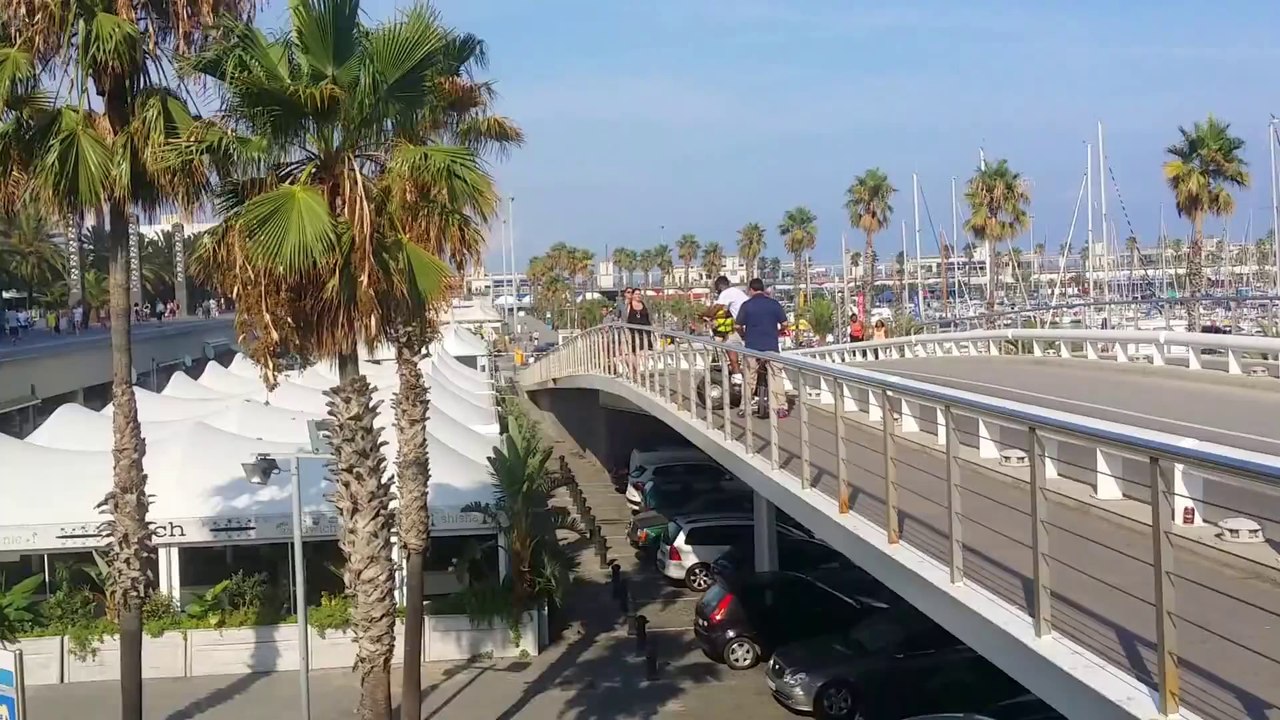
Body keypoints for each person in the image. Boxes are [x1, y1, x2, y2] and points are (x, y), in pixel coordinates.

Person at [734, 278, 790, 419]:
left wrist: (744, 335)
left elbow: (737, 326)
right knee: (776, 375)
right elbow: (785, 323)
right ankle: (781, 407)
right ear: (763, 289)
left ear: (751, 290)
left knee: (749, 376)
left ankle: (745, 407)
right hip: (771, 346)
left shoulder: (747, 305)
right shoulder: (774, 304)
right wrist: (778, 331)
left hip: (752, 346)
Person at [701, 276, 748, 384]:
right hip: (747, 326)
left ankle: (737, 378)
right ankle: (738, 375)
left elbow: (716, 308)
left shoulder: (726, 293)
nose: (717, 291)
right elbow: (727, 312)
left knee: (729, 345)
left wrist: (705, 315)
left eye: (717, 289)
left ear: (719, 286)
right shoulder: (737, 292)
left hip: (746, 327)